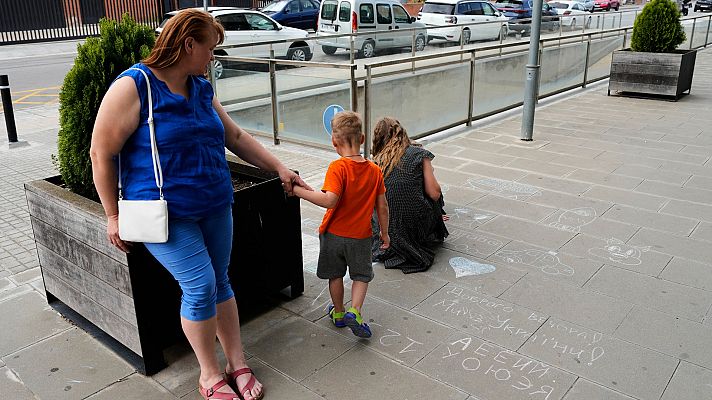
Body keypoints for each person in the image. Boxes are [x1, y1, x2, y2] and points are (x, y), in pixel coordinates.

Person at [89, 9, 309, 400]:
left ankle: (236, 362)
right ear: (189, 44)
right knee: (200, 284)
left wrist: (279, 168)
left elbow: (236, 136)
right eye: (211, 48)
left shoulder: (200, 86)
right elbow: (100, 153)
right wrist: (111, 214)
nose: (214, 57)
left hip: (214, 201)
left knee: (220, 280)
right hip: (164, 213)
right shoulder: (134, 87)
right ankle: (209, 374)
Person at [292, 111, 389, 339]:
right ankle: (354, 311)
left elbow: (329, 200)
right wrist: (385, 233)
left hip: (333, 234)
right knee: (361, 276)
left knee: (335, 275)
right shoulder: (375, 171)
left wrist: (298, 192)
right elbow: (382, 207)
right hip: (361, 236)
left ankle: (338, 312)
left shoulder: (338, 168)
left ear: (334, 141)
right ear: (362, 139)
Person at [370, 117, 448, 274]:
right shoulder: (419, 153)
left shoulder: (375, 162)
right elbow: (434, 193)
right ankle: (435, 219)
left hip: (383, 230)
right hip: (415, 227)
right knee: (433, 190)